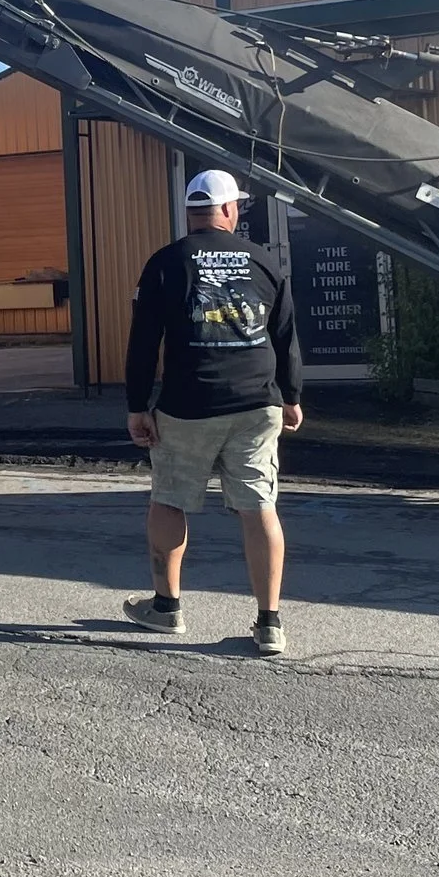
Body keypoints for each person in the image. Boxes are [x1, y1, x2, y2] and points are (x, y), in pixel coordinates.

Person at [119, 169, 304, 656]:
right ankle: (269, 624)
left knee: (169, 499)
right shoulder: (263, 261)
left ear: (191, 211)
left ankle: (166, 608)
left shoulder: (165, 262)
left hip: (188, 405)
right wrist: (291, 395)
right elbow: (284, 335)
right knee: (258, 506)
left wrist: (138, 405)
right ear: (229, 210)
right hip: (256, 403)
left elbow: (143, 342)